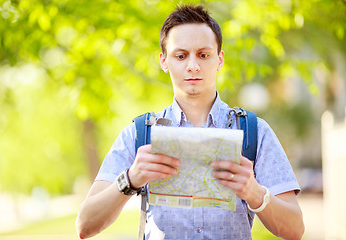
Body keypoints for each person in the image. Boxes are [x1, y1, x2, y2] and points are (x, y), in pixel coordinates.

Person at [76, 5, 304, 240]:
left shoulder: (254, 132)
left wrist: (255, 192)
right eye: (181, 55)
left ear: (220, 59)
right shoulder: (140, 135)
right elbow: (85, 225)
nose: (192, 66)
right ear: (164, 61)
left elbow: (295, 229)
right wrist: (131, 179)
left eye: (203, 55)